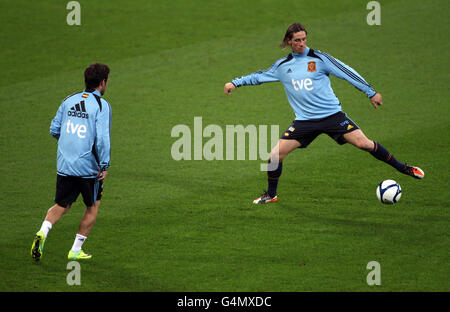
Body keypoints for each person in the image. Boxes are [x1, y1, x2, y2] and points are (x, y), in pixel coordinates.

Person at [224, 23, 424, 204]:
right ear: (288, 41)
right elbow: (259, 76)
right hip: (304, 122)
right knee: (275, 156)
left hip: (332, 117)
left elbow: (347, 72)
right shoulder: (282, 67)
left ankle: (403, 168)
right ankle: (271, 194)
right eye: (297, 40)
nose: (301, 43)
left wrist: (370, 92)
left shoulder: (320, 58)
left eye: (304, 39)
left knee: (364, 143)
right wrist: (235, 83)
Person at [31, 63, 112, 261]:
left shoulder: (69, 100)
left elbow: (54, 129)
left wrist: (72, 144)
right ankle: (75, 249)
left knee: (62, 204)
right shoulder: (102, 105)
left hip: (65, 165)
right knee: (92, 206)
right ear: (102, 82)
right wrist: (104, 165)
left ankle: (43, 231)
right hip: (88, 168)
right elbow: (102, 139)